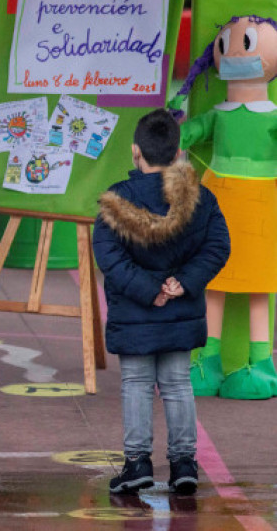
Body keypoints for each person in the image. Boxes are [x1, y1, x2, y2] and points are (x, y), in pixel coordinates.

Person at [93, 109, 230, 495]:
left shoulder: (116, 201)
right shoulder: (201, 200)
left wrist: (147, 289)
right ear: (177, 154)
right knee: (177, 383)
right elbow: (218, 246)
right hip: (181, 311)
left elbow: (109, 257)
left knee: (135, 383)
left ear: (136, 151)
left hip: (135, 312)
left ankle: (137, 463)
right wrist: (180, 283)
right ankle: (184, 463)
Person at [169, 15, 277, 399]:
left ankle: (261, 362)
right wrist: (172, 130)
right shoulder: (219, 114)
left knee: (259, 287)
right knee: (213, 280)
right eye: (225, 44)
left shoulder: (271, 118)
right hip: (218, 203)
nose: (232, 52)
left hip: (261, 206)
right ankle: (207, 357)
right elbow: (191, 132)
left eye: (245, 42)